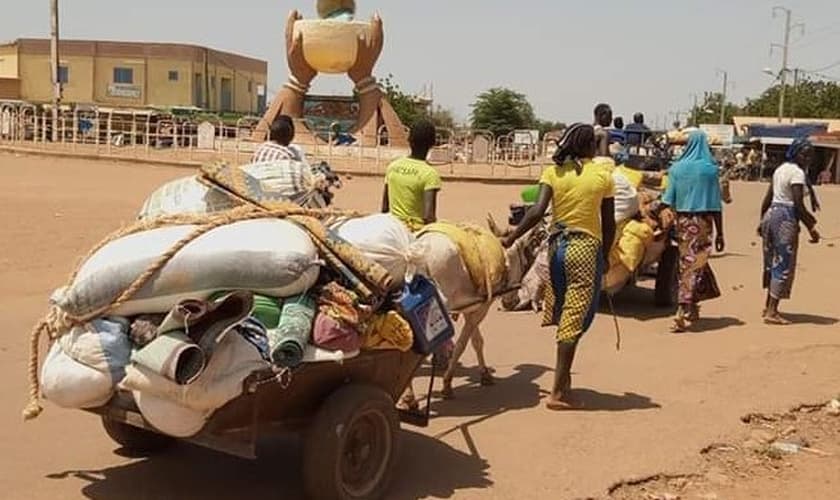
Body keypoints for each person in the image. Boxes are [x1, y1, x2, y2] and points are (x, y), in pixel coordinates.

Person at [503, 123, 615, 410]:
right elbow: (609, 223)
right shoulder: (603, 175)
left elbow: (536, 212)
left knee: (567, 312)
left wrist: (511, 237)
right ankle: (558, 392)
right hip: (584, 249)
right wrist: (606, 256)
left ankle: (564, 383)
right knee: (575, 317)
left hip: (556, 249)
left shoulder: (552, 173)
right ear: (589, 146)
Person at [662, 130, 725, 333]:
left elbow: (668, 199)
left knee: (691, 263)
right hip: (704, 222)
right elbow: (716, 205)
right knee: (694, 264)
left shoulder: (677, 169)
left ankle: (691, 306)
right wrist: (721, 233)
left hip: (683, 222)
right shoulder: (710, 170)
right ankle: (682, 310)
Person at [759, 137, 821, 325]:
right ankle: (772, 311)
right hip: (785, 218)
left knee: (771, 261)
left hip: (771, 215)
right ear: (795, 153)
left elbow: (768, 198)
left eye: (810, 155)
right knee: (782, 263)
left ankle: (768, 305)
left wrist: (762, 220)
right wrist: (811, 226)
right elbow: (798, 204)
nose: (808, 158)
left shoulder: (780, 169)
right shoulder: (796, 173)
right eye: (804, 154)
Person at [381, 120, 441, 229]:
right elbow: (428, 216)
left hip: (392, 227)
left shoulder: (393, 166)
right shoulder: (430, 174)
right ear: (433, 143)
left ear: (409, 140)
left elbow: (385, 208)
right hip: (414, 230)